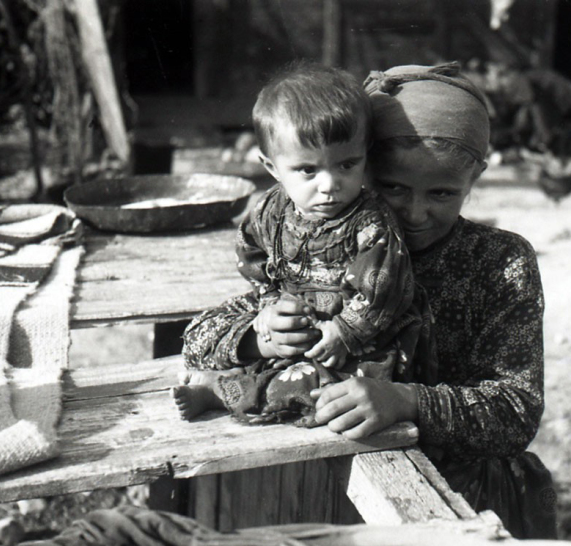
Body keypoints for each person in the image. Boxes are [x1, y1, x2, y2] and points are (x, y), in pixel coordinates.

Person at [182, 62, 556, 539]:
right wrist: (260, 335)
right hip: (311, 495)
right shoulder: (322, 245)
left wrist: (407, 401)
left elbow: (516, 410)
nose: (415, 213)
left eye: (442, 193)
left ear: (476, 176)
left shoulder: (498, 263)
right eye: (393, 187)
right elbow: (197, 339)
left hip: (462, 505)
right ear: (362, 164)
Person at [173, 62, 430, 426]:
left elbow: (382, 289)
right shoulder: (270, 210)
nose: (329, 184)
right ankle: (239, 372)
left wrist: (344, 332)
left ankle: (223, 391)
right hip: (296, 317)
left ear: (366, 155)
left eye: (346, 165)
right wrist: (269, 306)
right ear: (272, 167)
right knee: (212, 332)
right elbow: (251, 254)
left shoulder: (370, 222)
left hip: (355, 336)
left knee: (323, 386)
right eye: (308, 170)